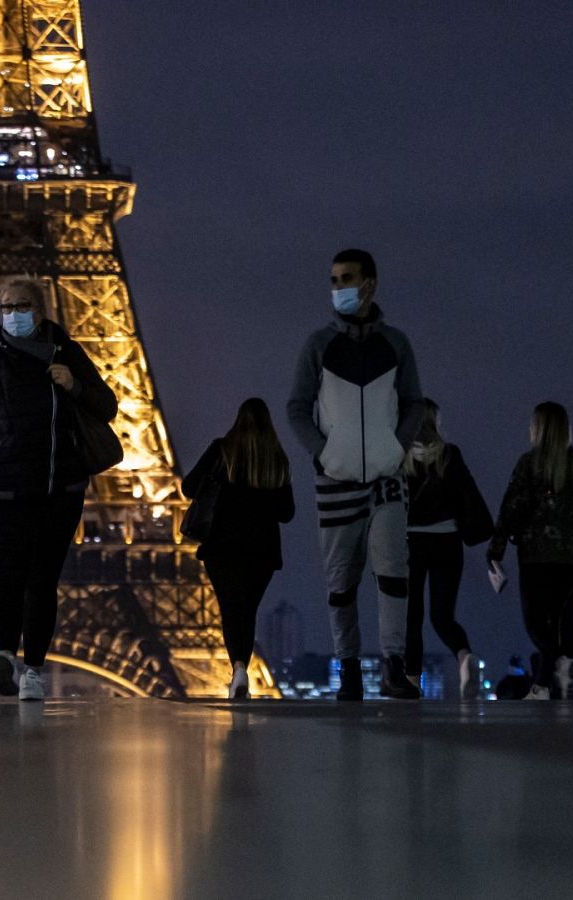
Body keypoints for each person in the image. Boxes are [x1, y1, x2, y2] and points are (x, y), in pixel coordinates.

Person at [0, 278, 118, 702]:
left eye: (22, 305)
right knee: (8, 578)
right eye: (6, 306)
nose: (13, 313)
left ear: (40, 309)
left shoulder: (68, 354)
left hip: (59, 489)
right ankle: (4, 652)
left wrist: (73, 385)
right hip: (3, 489)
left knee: (42, 581)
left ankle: (33, 668)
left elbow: (107, 407)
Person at [285, 248, 425, 701]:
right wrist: (325, 454)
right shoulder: (318, 345)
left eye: (346, 278)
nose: (338, 287)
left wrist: (396, 447)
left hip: (386, 479)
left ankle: (394, 666)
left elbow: (416, 402)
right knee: (341, 581)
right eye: (333, 279)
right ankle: (348, 667)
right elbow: (296, 406)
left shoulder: (397, 344)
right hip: (336, 480)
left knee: (393, 574)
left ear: (370, 284)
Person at [487, 402, 573, 700]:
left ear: (538, 428)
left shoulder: (528, 465)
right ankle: (562, 668)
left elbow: (511, 508)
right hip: (572, 556)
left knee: (536, 621)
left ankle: (546, 679)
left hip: (535, 555)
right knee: (566, 614)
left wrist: (496, 547)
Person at [180, 398, 295, 699]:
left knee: (231, 610)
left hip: (222, 547)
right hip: (262, 551)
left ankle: (239, 668)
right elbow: (287, 512)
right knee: (248, 610)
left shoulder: (222, 450)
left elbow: (189, 488)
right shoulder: (276, 458)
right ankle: (241, 668)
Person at [402, 399, 493, 699]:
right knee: (442, 615)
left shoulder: (400, 455)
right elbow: (468, 495)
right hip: (448, 542)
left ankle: (412, 681)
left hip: (412, 543)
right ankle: (465, 655)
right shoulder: (450, 455)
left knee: (410, 616)